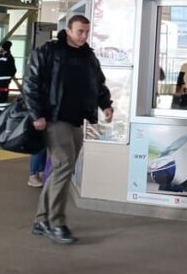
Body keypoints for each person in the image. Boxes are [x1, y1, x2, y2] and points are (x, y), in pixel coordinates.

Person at [24, 15, 112, 244]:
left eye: (86, 32)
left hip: (76, 120)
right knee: (63, 165)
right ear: (68, 30)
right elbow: (31, 83)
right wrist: (37, 114)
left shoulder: (88, 56)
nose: (84, 36)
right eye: (80, 31)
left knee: (58, 170)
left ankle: (41, 220)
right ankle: (56, 222)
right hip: (54, 119)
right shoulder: (49, 52)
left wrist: (106, 105)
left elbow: (98, 84)